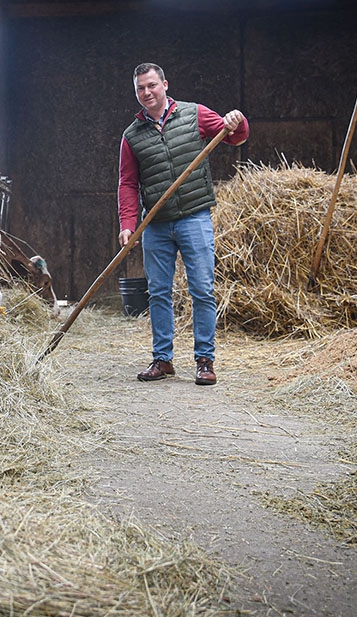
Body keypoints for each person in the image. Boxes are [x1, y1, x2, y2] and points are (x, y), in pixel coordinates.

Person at [117, 62, 249, 386]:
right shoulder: (132, 136)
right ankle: (163, 360)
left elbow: (233, 136)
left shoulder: (194, 114)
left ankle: (205, 360)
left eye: (151, 85)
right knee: (158, 292)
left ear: (164, 84)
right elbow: (127, 183)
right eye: (140, 89)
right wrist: (128, 224)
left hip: (194, 217)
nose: (146, 92)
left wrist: (237, 120)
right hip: (157, 224)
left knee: (202, 289)